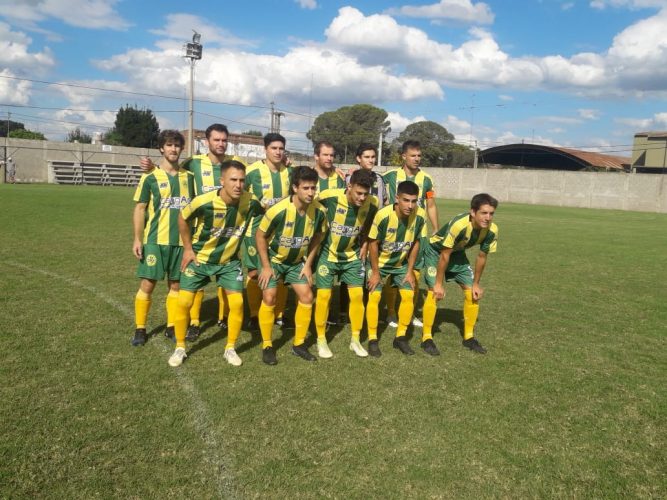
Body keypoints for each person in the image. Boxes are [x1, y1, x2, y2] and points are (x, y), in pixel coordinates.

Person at [167, 160, 262, 368]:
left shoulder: (251, 201)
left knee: (237, 303)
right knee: (184, 302)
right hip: (200, 259)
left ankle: (230, 348)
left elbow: (268, 214)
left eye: (242, 180)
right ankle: (180, 347)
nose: (238, 185)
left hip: (229, 262)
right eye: (233, 180)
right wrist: (188, 248)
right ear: (222, 181)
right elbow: (182, 218)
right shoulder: (204, 201)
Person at [255, 166, 328, 364]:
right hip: (274, 261)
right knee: (269, 296)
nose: (311, 193)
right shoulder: (277, 210)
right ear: (295, 188)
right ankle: (267, 345)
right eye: (306, 188)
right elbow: (260, 236)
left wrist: (308, 265)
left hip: (296, 263)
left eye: (313, 188)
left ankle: (299, 344)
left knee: (307, 296)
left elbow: (318, 236)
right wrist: (266, 266)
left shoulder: (319, 212)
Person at [131, 130, 194, 347]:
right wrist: (137, 239)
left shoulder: (189, 178)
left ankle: (171, 326)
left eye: (177, 145)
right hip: (155, 241)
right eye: (169, 145)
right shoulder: (150, 177)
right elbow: (140, 208)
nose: (173, 149)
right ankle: (140, 328)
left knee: (175, 286)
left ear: (182, 148)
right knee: (148, 284)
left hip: (181, 243)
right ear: (161, 148)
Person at [422, 193, 499, 355]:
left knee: (472, 294)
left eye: (491, 213)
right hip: (436, 252)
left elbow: (482, 257)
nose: (488, 218)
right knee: (433, 292)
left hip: (457, 254)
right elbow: (444, 255)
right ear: (473, 212)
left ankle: (469, 337)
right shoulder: (459, 225)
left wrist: (476, 283)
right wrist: (438, 284)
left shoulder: (492, 230)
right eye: (484, 213)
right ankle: (426, 338)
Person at [313, 169, 378, 358]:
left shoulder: (372, 203)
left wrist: (364, 243)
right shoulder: (329, 196)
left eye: (365, 194)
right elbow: (307, 205)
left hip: (352, 256)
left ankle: (355, 340)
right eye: (358, 193)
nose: (362, 198)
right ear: (349, 186)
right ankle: (321, 339)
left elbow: (369, 225)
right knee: (324, 296)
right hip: (328, 255)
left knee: (357, 296)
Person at [365, 181, 427, 357]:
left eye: (414, 201)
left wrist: (409, 270)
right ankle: (372, 339)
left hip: (401, 265)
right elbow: (373, 244)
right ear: (397, 198)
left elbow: (416, 242)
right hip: (379, 264)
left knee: (408, 295)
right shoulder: (383, 215)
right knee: (375, 295)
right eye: (406, 200)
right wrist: (375, 273)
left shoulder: (420, 216)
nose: (410, 205)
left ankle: (400, 338)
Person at [381, 140, 438, 329]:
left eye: (419, 155)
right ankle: (391, 312)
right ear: (403, 156)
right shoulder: (389, 176)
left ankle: (410, 312)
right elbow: (371, 181)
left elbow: (431, 205)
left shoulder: (427, 180)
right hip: (394, 234)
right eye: (413, 155)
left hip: (417, 233)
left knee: (415, 274)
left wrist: (435, 229)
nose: (417, 159)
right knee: (393, 272)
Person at [243, 133, 292, 331]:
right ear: (265, 149)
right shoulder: (252, 171)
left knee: (280, 273)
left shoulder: (289, 172)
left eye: (281, 148)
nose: (278, 152)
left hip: (281, 232)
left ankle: (278, 314)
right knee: (255, 272)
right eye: (274, 148)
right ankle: (255, 315)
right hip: (255, 230)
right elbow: (238, 192)